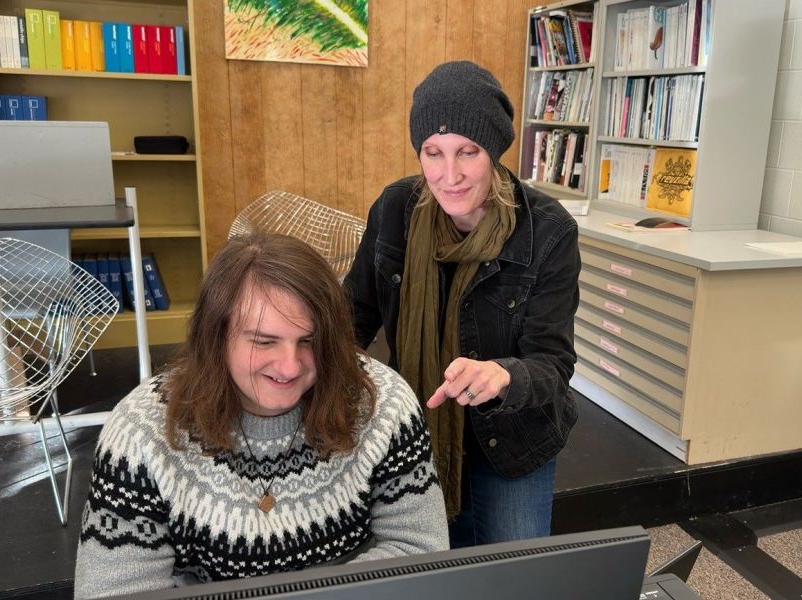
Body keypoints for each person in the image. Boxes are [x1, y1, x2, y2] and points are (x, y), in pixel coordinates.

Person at [74, 232, 448, 598]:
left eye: (309, 341)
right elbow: (114, 589)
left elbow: (419, 546)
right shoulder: (140, 432)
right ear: (217, 336)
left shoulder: (384, 404)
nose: (289, 366)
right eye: (264, 341)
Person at [344, 60, 581, 547]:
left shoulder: (548, 230)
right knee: (424, 572)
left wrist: (505, 374)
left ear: (492, 151)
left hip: (514, 439)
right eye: (433, 153)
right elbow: (351, 316)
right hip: (414, 430)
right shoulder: (395, 210)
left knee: (514, 581)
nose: (448, 175)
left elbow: (553, 367)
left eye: (467, 152)